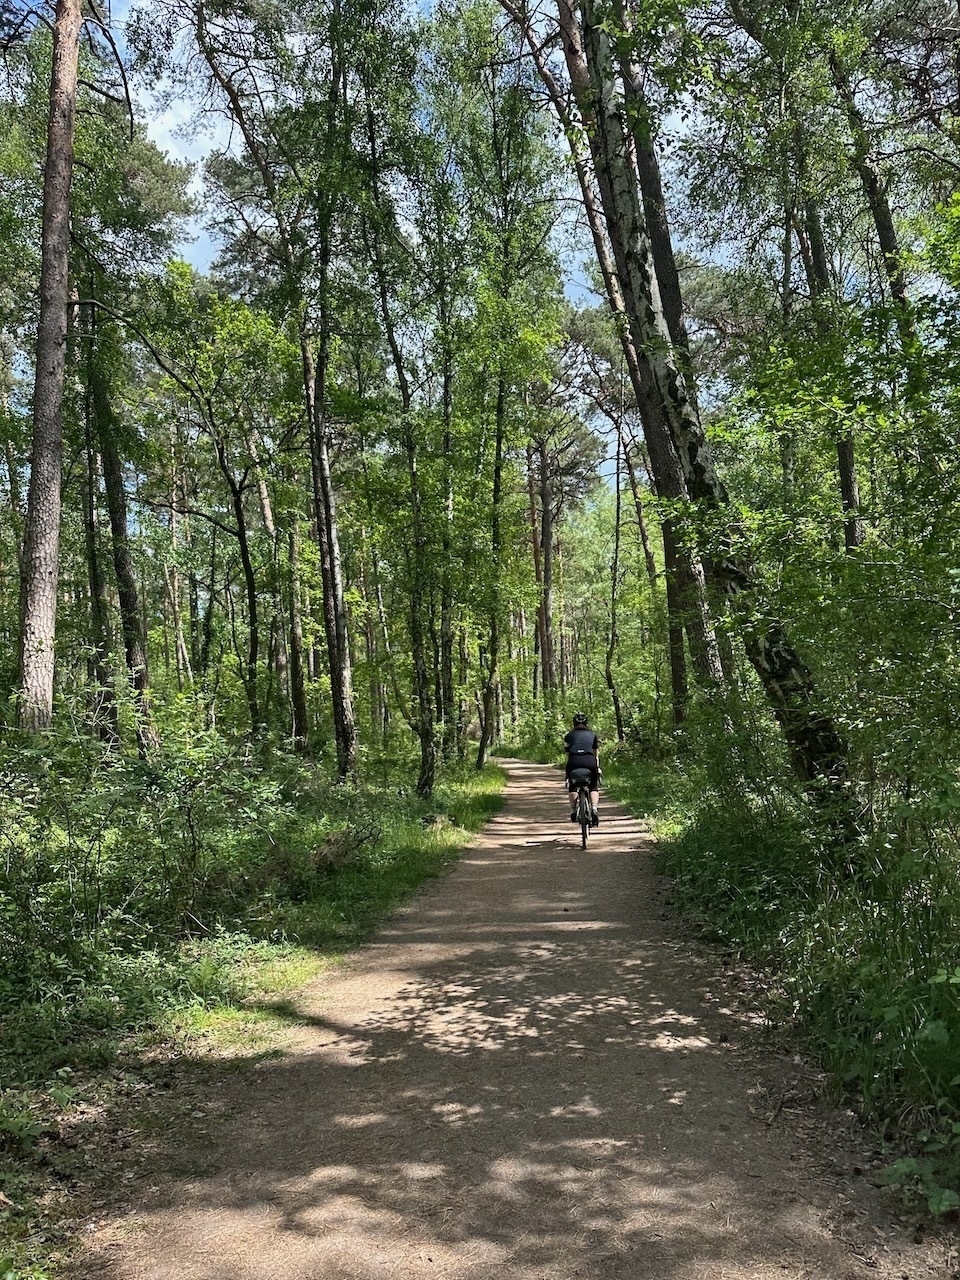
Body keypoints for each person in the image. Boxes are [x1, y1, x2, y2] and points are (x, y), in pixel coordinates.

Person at [564, 712, 600, 826]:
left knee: (573, 786)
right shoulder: (592, 735)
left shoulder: (569, 735)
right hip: (589, 761)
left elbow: (568, 754)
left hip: (574, 761)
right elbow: (595, 754)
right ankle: (594, 808)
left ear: (574, 723)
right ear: (586, 723)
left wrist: (567, 772)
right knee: (593, 786)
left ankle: (574, 811)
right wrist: (597, 767)